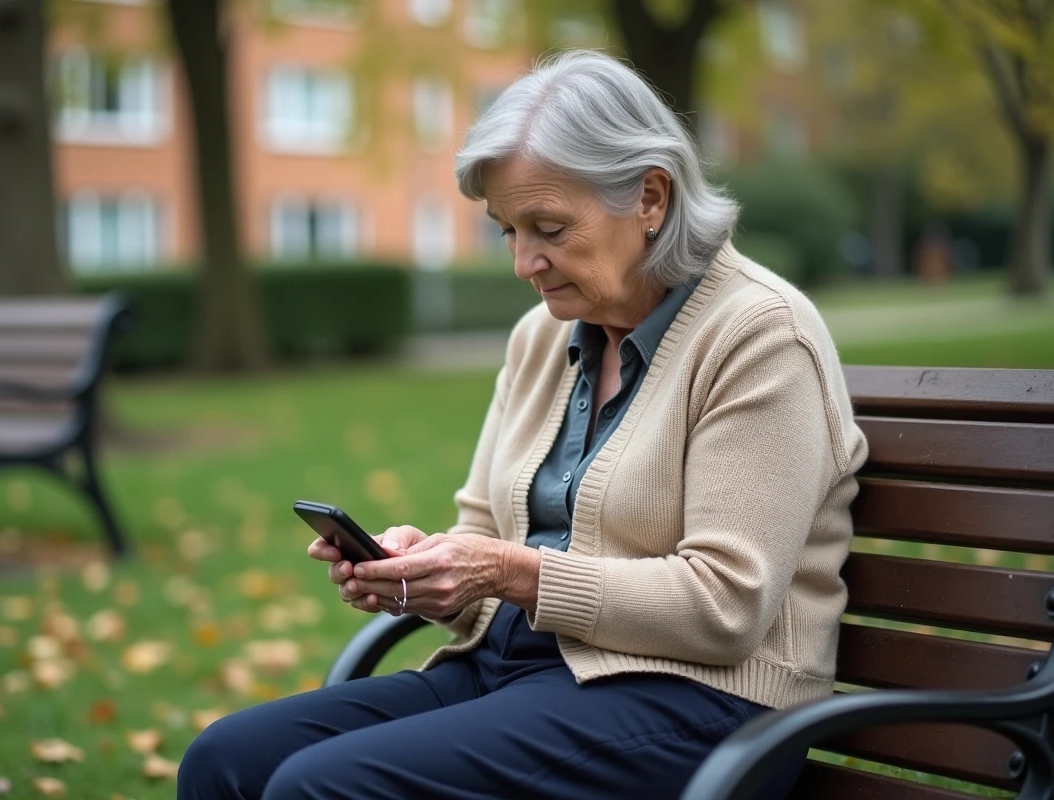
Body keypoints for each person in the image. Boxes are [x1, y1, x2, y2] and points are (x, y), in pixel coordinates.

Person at [178, 50, 868, 800]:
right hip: (517, 673)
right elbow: (482, 534)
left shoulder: (760, 335)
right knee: (225, 760)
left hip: (701, 704)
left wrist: (508, 572)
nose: (523, 262)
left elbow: (726, 607)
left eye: (548, 227)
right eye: (507, 230)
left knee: (322, 786)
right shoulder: (541, 337)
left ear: (651, 197)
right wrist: (422, 574)